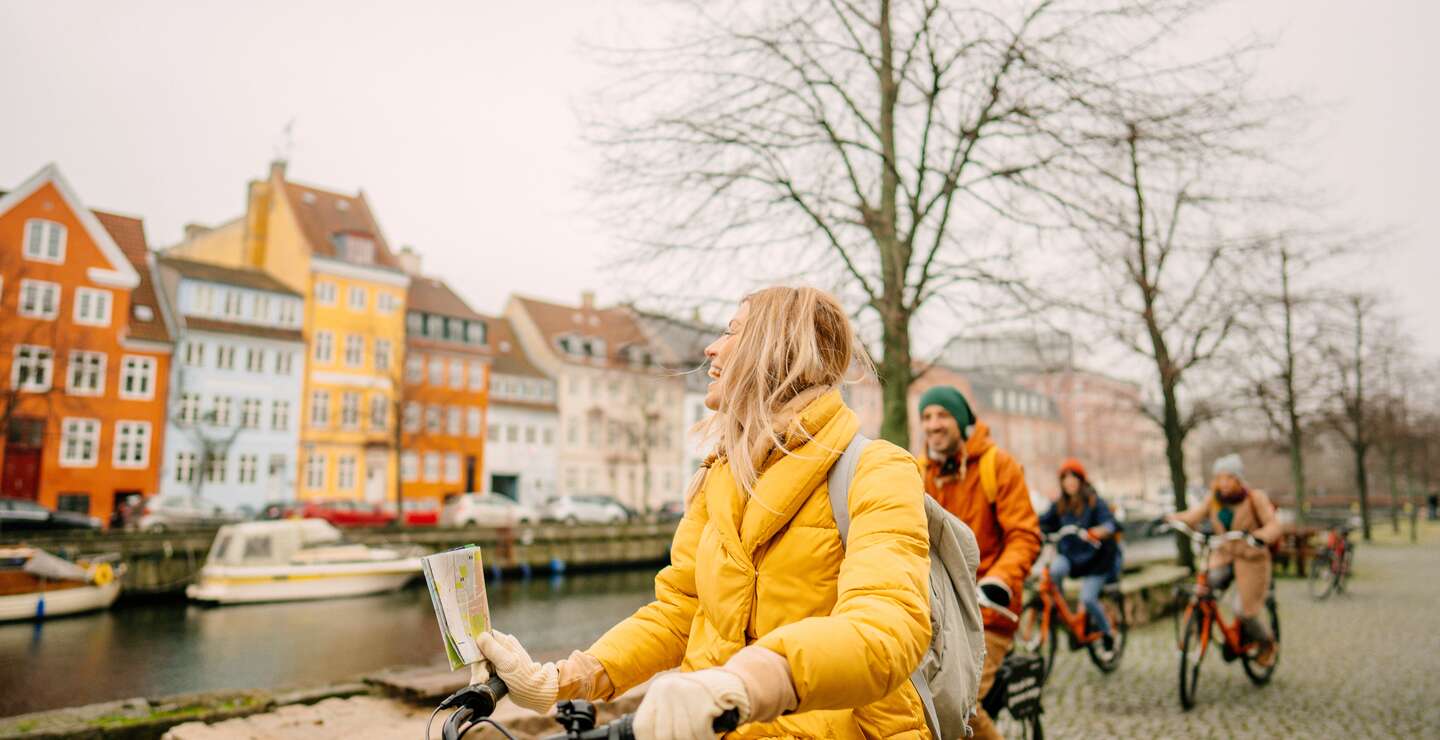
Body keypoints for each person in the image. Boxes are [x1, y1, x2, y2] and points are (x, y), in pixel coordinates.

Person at [477, 287, 935, 739]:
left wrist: (748, 682)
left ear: (777, 349)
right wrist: (559, 680)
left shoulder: (877, 468)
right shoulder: (722, 475)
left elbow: (887, 627)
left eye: (732, 331)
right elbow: (680, 612)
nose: (711, 347)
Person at [918, 386, 1041, 740]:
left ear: (960, 421)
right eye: (926, 417)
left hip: (988, 612)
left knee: (962, 706)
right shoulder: (917, 470)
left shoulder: (996, 466)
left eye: (942, 415)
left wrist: (1000, 580)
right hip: (936, 612)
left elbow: (1024, 535)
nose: (933, 425)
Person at [1168, 453, 1281, 667]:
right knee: (1203, 588)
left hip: (1251, 558)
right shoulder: (1214, 499)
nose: (1223, 483)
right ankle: (1197, 628)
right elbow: (1194, 515)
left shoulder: (1254, 498)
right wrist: (1171, 518)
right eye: (1219, 478)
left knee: (1243, 611)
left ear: (1238, 479)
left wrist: (1260, 537)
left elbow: (1274, 525)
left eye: (1229, 478)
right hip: (1225, 554)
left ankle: (1266, 642)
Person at [1037, 458, 1122, 653]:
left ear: (1081, 480)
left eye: (1073, 477)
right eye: (1065, 478)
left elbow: (1111, 523)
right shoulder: (1060, 504)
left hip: (1096, 560)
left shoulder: (1094, 502)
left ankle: (1108, 633)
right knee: (1055, 571)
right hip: (1071, 558)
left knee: (1088, 598)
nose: (1069, 482)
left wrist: (1098, 531)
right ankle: (1064, 614)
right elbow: (1043, 521)